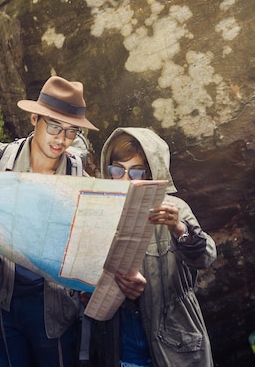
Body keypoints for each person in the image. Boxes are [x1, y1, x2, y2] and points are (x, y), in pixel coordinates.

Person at [0, 76, 99, 367]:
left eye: (71, 131)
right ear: (34, 118)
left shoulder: (80, 179)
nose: (62, 139)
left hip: (54, 302)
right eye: (54, 126)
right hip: (1, 294)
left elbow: (90, 245)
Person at [85, 127, 216, 367]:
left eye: (135, 172)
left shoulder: (175, 208)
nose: (125, 180)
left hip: (175, 346)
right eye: (117, 170)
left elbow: (205, 258)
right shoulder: (99, 212)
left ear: (150, 173)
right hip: (120, 345)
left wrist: (178, 227)